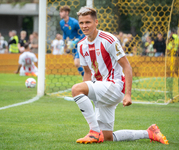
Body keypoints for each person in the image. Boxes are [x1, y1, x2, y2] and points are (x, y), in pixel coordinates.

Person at [71, 6, 169, 144]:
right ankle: (149, 132)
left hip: (114, 86)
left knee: (76, 89)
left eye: (88, 22)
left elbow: (126, 66)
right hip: (101, 89)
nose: (84, 26)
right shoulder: (81, 45)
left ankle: (94, 132)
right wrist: (85, 96)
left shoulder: (109, 40)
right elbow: (87, 72)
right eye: (81, 23)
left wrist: (128, 94)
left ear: (96, 22)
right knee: (107, 138)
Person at [59, 5, 85, 77]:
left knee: (77, 63)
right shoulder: (61, 23)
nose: (60, 13)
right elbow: (65, 33)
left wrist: (76, 41)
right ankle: (85, 78)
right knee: (77, 64)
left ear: (67, 12)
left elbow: (83, 33)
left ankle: (86, 78)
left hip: (79, 44)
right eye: (60, 12)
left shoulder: (75, 22)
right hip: (72, 46)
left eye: (61, 12)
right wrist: (62, 44)